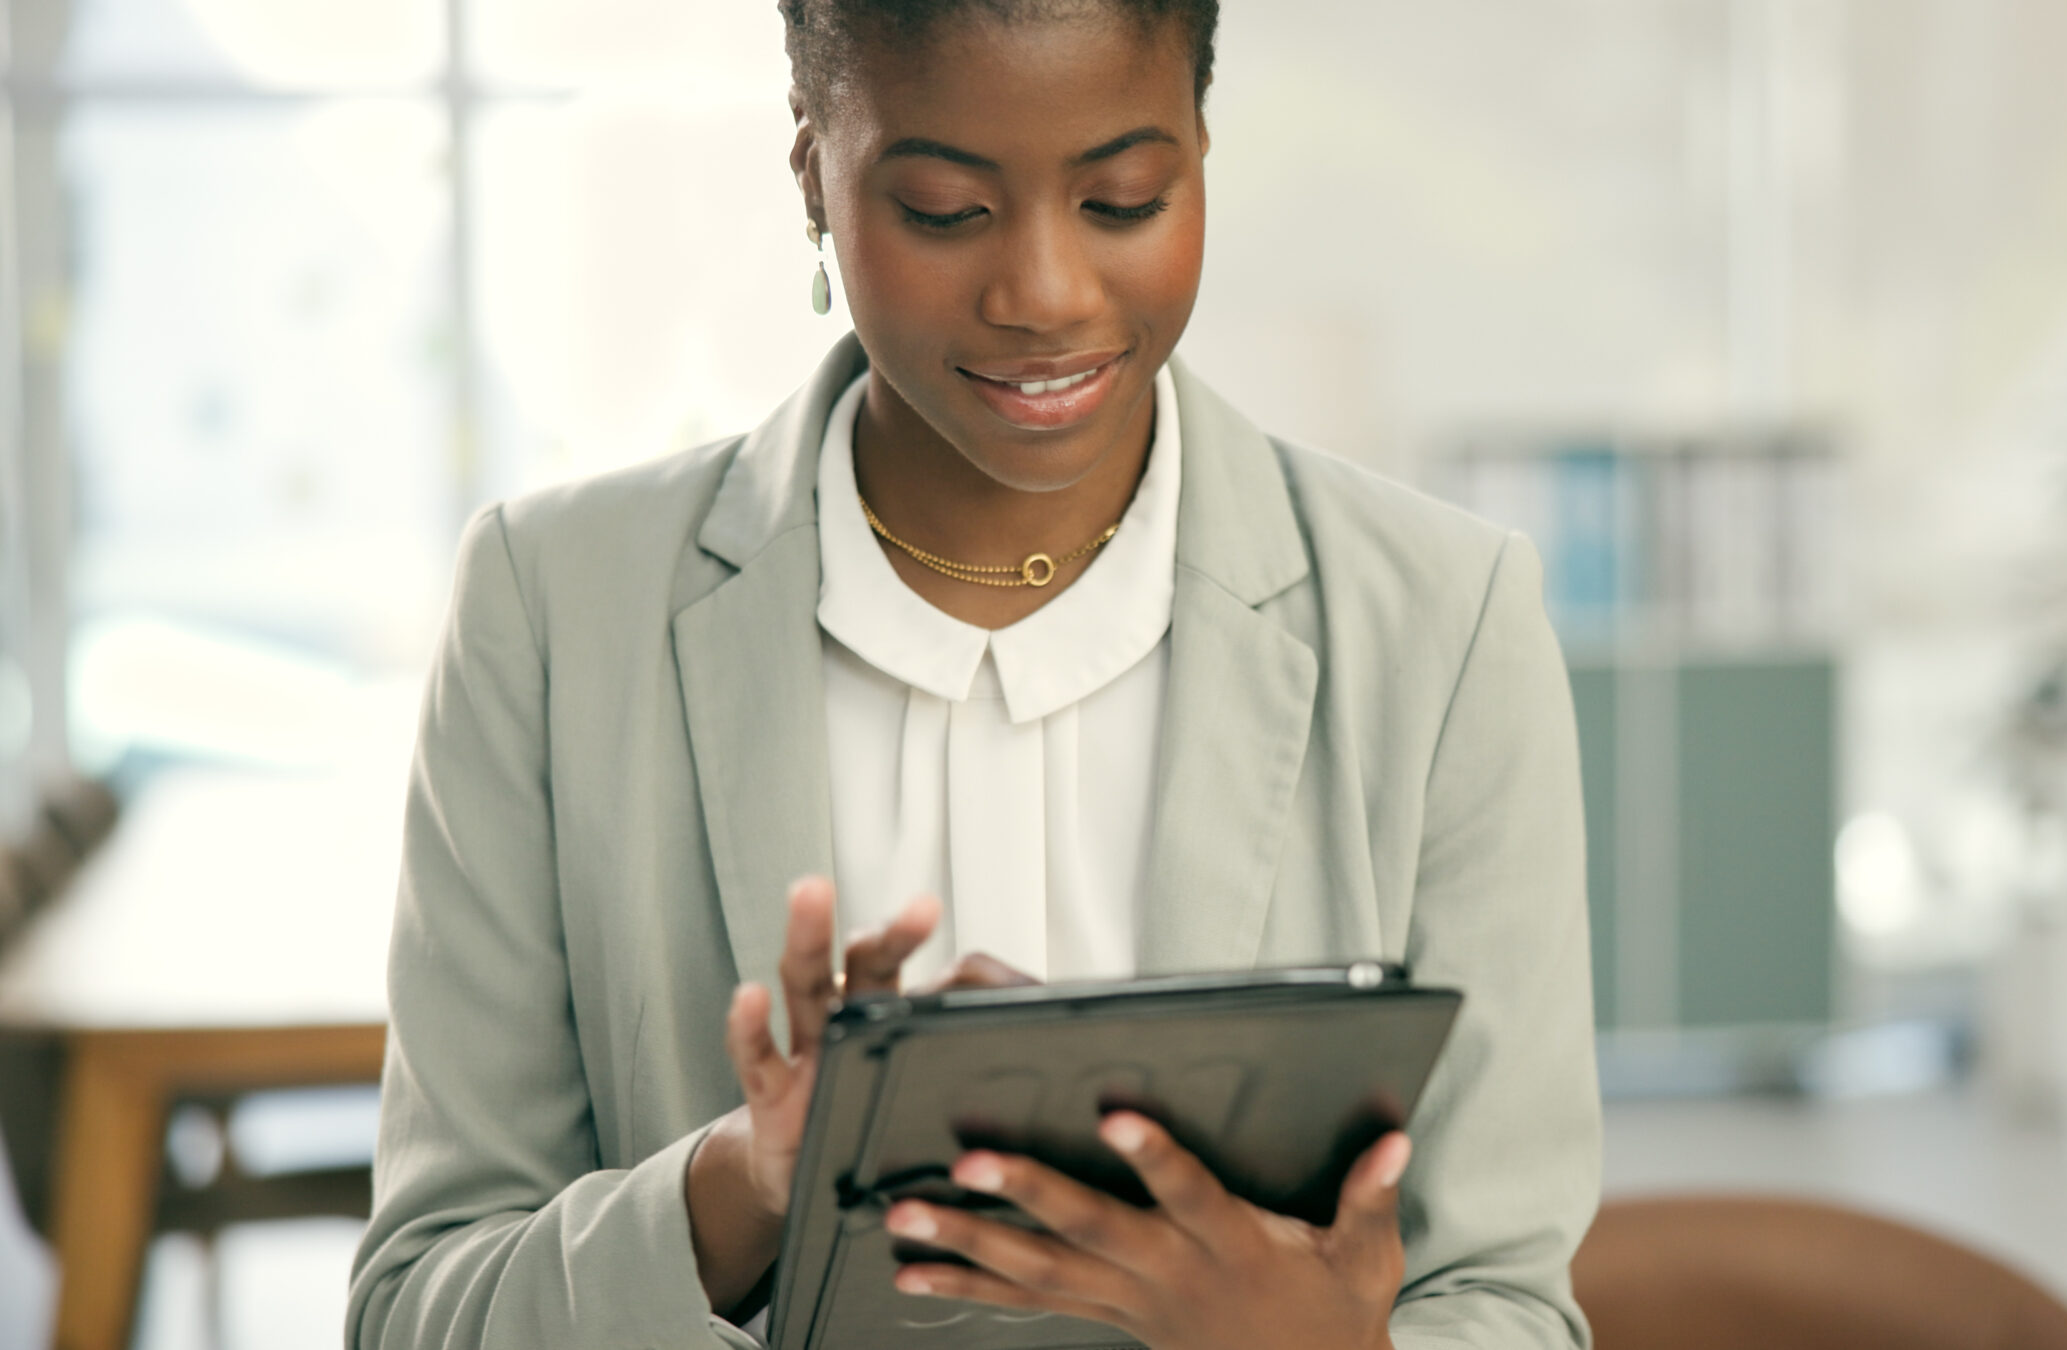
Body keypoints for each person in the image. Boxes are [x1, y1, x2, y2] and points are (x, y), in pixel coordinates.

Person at [346, 1, 1600, 1346]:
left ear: (1198, 154)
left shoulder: (1445, 626)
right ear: (813, 170)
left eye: (1124, 199)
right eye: (946, 211)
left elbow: (1510, 1304)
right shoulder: (551, 613)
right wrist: (743, 1182)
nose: (1045, 294)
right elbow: (419, 1311)